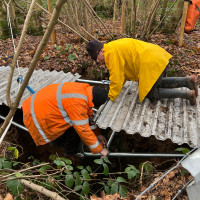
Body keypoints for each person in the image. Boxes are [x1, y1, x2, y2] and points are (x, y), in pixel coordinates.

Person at [86, 38, 198, 105]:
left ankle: (187, 94)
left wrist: (110, 97)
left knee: (151, 93)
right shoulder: (112, 47)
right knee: (156, 83)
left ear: (100, 51)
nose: (98, 62)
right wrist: (121, 85)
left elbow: (116, 77)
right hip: (156, 56)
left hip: (150, 62)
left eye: (96, 58)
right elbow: (122, 74)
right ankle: (187, 81)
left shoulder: (111, 55)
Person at [22, 82, 109, 158]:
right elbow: (83, 129)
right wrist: (100, 150)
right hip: (39, 117)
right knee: (76, 130)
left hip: (35, 105)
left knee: (76, 125)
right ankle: (68, 154)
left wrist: (98, 135)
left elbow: (87, 116)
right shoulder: (77, 103)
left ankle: (63, 147)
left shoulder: (83, 90)